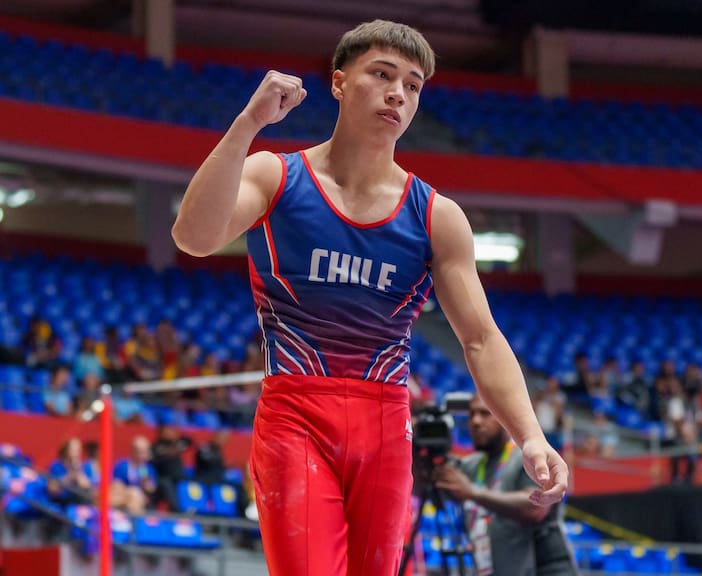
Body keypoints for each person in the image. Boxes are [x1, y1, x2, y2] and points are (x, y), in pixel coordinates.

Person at [172, 19, 568, 576]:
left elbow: (480, 338)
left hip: (385, 421)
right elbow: (193, 237)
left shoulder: (437, 216)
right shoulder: (275, 176)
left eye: (411, 84)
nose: (397, 94)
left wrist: (529, 437)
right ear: (338, 83)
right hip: (296, 414)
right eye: (381, 75)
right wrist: (247, 126)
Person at [435, 395, 578, 576]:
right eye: (471, 414)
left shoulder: (528, 458)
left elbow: (536, 509)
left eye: (485, 413)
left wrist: (473, 493)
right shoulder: (472, 465)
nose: (476, 421)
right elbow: (431, 481)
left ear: (505, 419)